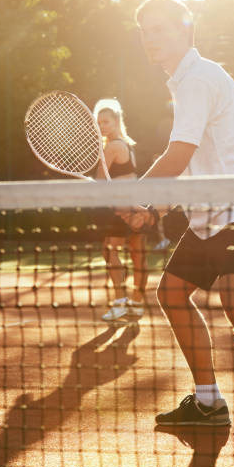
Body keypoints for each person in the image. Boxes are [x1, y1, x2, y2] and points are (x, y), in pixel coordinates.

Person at [120, 0, 234, 467]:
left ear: (186, 30)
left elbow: (178, 154)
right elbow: (188, 170)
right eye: (145, 30)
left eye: (160, 28)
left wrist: (138, 197)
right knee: (173, 293)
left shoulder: (198, 78)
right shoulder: (184, 83)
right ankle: (208, 402)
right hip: (211, 213)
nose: (151, 37)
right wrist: (152, 209)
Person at [94, 98, 147, 322]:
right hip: (136, 207)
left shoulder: (113, 146)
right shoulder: (127, 145)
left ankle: (119, 303)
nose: (102, 126)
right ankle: (136, 303)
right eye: (99, 123)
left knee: (110, 251)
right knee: (138, 255)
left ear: (116, 121)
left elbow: (100, 180)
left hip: (123, 210)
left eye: (106, 121)